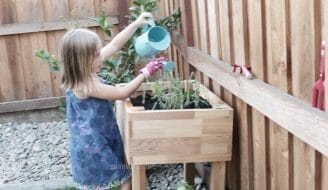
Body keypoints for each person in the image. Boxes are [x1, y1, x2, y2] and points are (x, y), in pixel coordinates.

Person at [60, 12, 163, 190]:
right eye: (97, 55)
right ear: (84, 60)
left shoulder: (81, 73)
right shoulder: (86, 84)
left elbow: (115, 45)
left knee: (113, 178)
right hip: (94, 146)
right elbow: (122, 93)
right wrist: (145, 72)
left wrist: (136, 24)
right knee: (124, 178)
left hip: (94, 140)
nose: (101, 57)